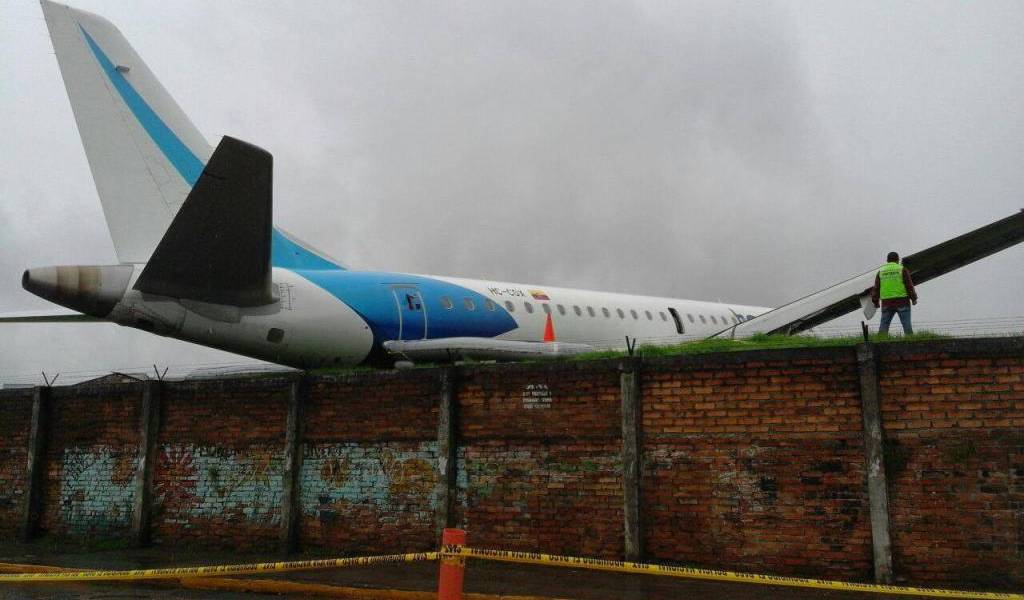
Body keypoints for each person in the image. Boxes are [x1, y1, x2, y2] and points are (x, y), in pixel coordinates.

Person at [872, 251, 917, 335]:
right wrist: (914, 299)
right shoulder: (902, 269)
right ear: (897, 260)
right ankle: (910, 341)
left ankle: (881, 341)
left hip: (886, 302)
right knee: (907, 325)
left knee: (884, 326)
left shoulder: (881, 271)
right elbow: (909, 286)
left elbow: (876, 288)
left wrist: (875, 302)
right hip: (902, 301)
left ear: (887, 260)